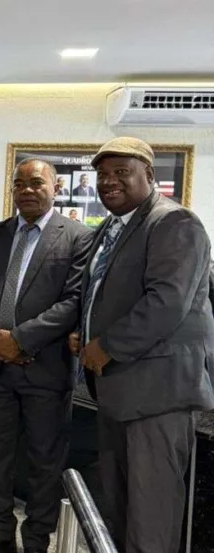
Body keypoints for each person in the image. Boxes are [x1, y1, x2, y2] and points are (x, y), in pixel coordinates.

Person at [69, 137, 214, 553]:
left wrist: (106, 345)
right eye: (102, 174)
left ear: (149, 175)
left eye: (121, 172)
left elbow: (166, 302)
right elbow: (105, 293)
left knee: (150, 516)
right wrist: (84, 331)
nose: (108, 181)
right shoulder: (112, 228)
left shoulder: (174, 223)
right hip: (118, 390)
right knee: (121, 508)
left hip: (157, 394)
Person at [0, 158, 93, 553]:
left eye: (36, 183)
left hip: (45, 369)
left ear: (56, 188)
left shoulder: (78, 237)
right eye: (19, 184)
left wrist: (19, 340)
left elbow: (73, 301)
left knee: (44, 462)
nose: (27, 190)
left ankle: (36, 540)